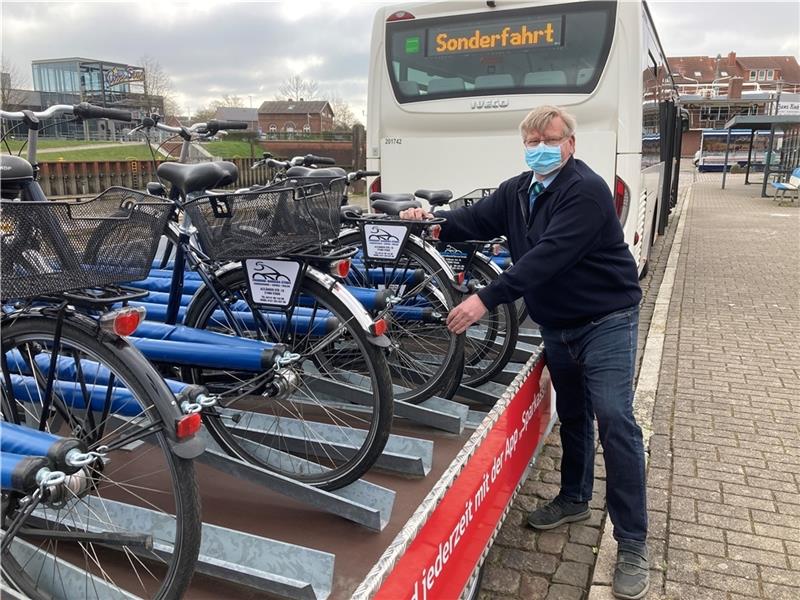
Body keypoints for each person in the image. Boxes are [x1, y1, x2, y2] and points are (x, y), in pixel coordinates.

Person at [400, 105, 649, 600]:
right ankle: (575, 497)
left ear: (570, 143)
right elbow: (472, 220)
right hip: (559, 325)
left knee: (616, 421)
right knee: (575, 415)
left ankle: (633, 543)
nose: (540, 146)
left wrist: (484, 300)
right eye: (532, 139)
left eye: (549, 138)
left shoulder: (586, 191)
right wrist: (429, 222)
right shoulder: (519, 189)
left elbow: (548, 256)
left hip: (606, 322)